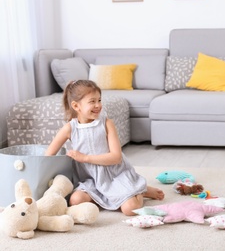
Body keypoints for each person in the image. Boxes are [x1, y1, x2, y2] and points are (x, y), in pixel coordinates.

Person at [45, 80, 164, 216]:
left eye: (99, 100)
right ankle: (108, 197)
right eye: (92, 101)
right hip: (91, 180)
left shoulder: (107, 123)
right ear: (76, 106)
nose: (98, 105)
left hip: (114, 176)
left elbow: (116, 157)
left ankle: (141, 190)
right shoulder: (70, 128)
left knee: (130, 209)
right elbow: (48, 155)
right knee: (75, 200)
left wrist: (85, 158)